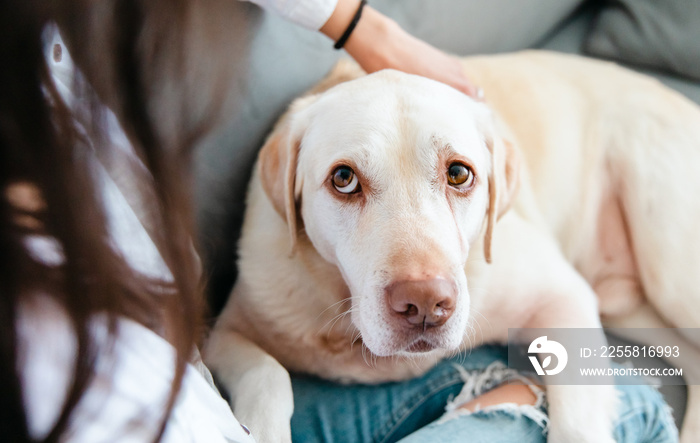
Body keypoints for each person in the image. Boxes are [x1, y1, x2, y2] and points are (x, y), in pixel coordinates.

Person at [0, 0, 677, 442]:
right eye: (347, 182)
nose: (424, 280)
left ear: (493, 190)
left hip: (624, 132)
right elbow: (234, 336)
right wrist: (263, 388)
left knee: (673, 317)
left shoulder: (490, 215)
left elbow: (566, 297)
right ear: (291, 195)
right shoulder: (277, 233)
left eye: (459, 176)